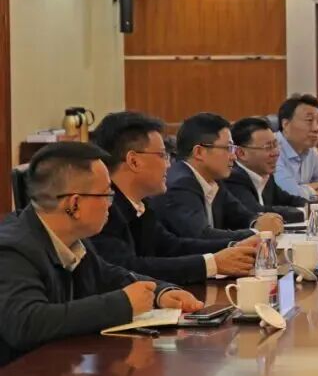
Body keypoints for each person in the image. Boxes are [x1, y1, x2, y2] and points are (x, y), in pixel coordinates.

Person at [0, 143, 202, 365]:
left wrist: (160, 292)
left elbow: (109, 276)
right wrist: (122, 304)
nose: (110, 205)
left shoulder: (72, 238)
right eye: (106, 194)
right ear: (74, 204)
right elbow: (26, 323)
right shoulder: (12, 249)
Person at [90, 111, 258, 284]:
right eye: (163, 155)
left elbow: (171, 246)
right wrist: (212, 264)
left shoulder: (140, 204)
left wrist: (234, 247)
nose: (169, 164)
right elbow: (128, 268)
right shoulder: (103, 208)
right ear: (134, 161)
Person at [151, 112, 284, 242]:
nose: (234, 156)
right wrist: (257, 232)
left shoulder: (214, 180)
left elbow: (240, 215)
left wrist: (257, 221)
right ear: (199, 152)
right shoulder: (181, 185)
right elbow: (201, 236)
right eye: (228, 148)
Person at [225, 116, 308, 223]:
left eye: (275, 145)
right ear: (241, 153)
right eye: (268, 147)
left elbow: (289, 200)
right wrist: (305, 212)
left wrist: (314, 205)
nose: (276, 153)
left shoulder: (264, 174)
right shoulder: (233, 177)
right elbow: (256, 212)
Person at [274, 94, 318, 198]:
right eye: (309, 120)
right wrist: (311, 189)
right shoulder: (271, 149)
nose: (316, 128)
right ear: (286, 124)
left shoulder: (311, 151)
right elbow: (289, 194)